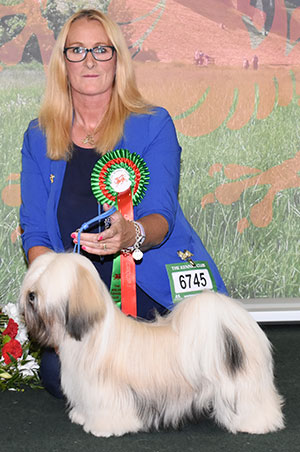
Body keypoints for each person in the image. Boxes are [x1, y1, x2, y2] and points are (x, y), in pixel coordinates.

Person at [20, 9, 228, 398]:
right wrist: (54, 286)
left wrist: (130, 234)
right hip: (78, 301)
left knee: (164, 367)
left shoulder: (153, 124)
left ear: (118, 59)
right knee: (57, 375)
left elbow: (161, 217)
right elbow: (33, 230)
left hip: (146, 283)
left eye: (101, 49)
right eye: (77, 50)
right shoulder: (38, 137)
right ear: (62, 62)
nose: (90, 61)